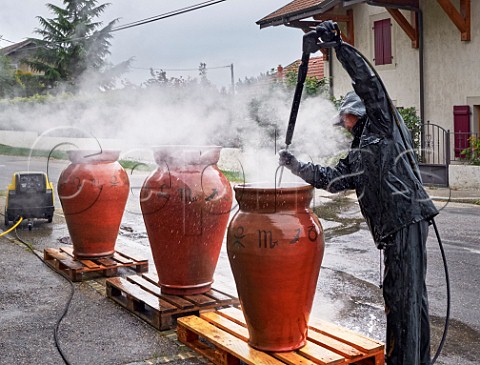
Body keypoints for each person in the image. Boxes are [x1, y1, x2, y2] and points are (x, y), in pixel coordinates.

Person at [279, 21, 438, 365]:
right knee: (407, 298)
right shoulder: (362, 149)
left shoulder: (384, 124)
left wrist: (338, 46)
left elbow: (369, 84)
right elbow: (331, 178)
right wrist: (295, 165)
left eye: (346, 119)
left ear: (356, 113)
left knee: (404, 298)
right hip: (396, 229)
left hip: (406, 221)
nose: (344, 125)